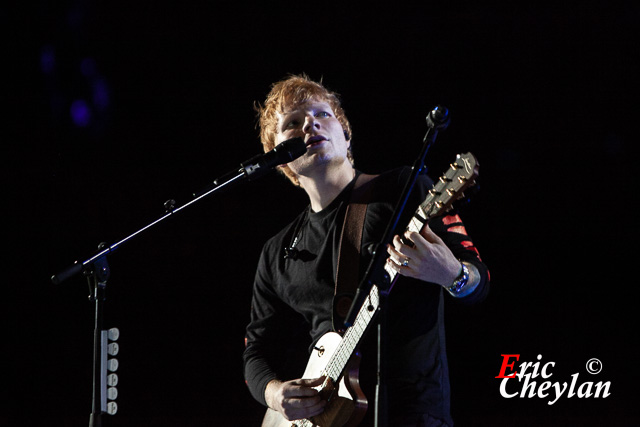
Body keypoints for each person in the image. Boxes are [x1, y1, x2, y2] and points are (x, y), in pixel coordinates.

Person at [243, 74, 489, 426]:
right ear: (280, 161)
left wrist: (453, 275)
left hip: (411, 413)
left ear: (345, 134)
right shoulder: (277, 251)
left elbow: (480, 280)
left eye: (321, 114)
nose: (309, 124)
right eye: (293, 123)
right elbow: (257, 351)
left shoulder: (404, 190)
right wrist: (274, 394)